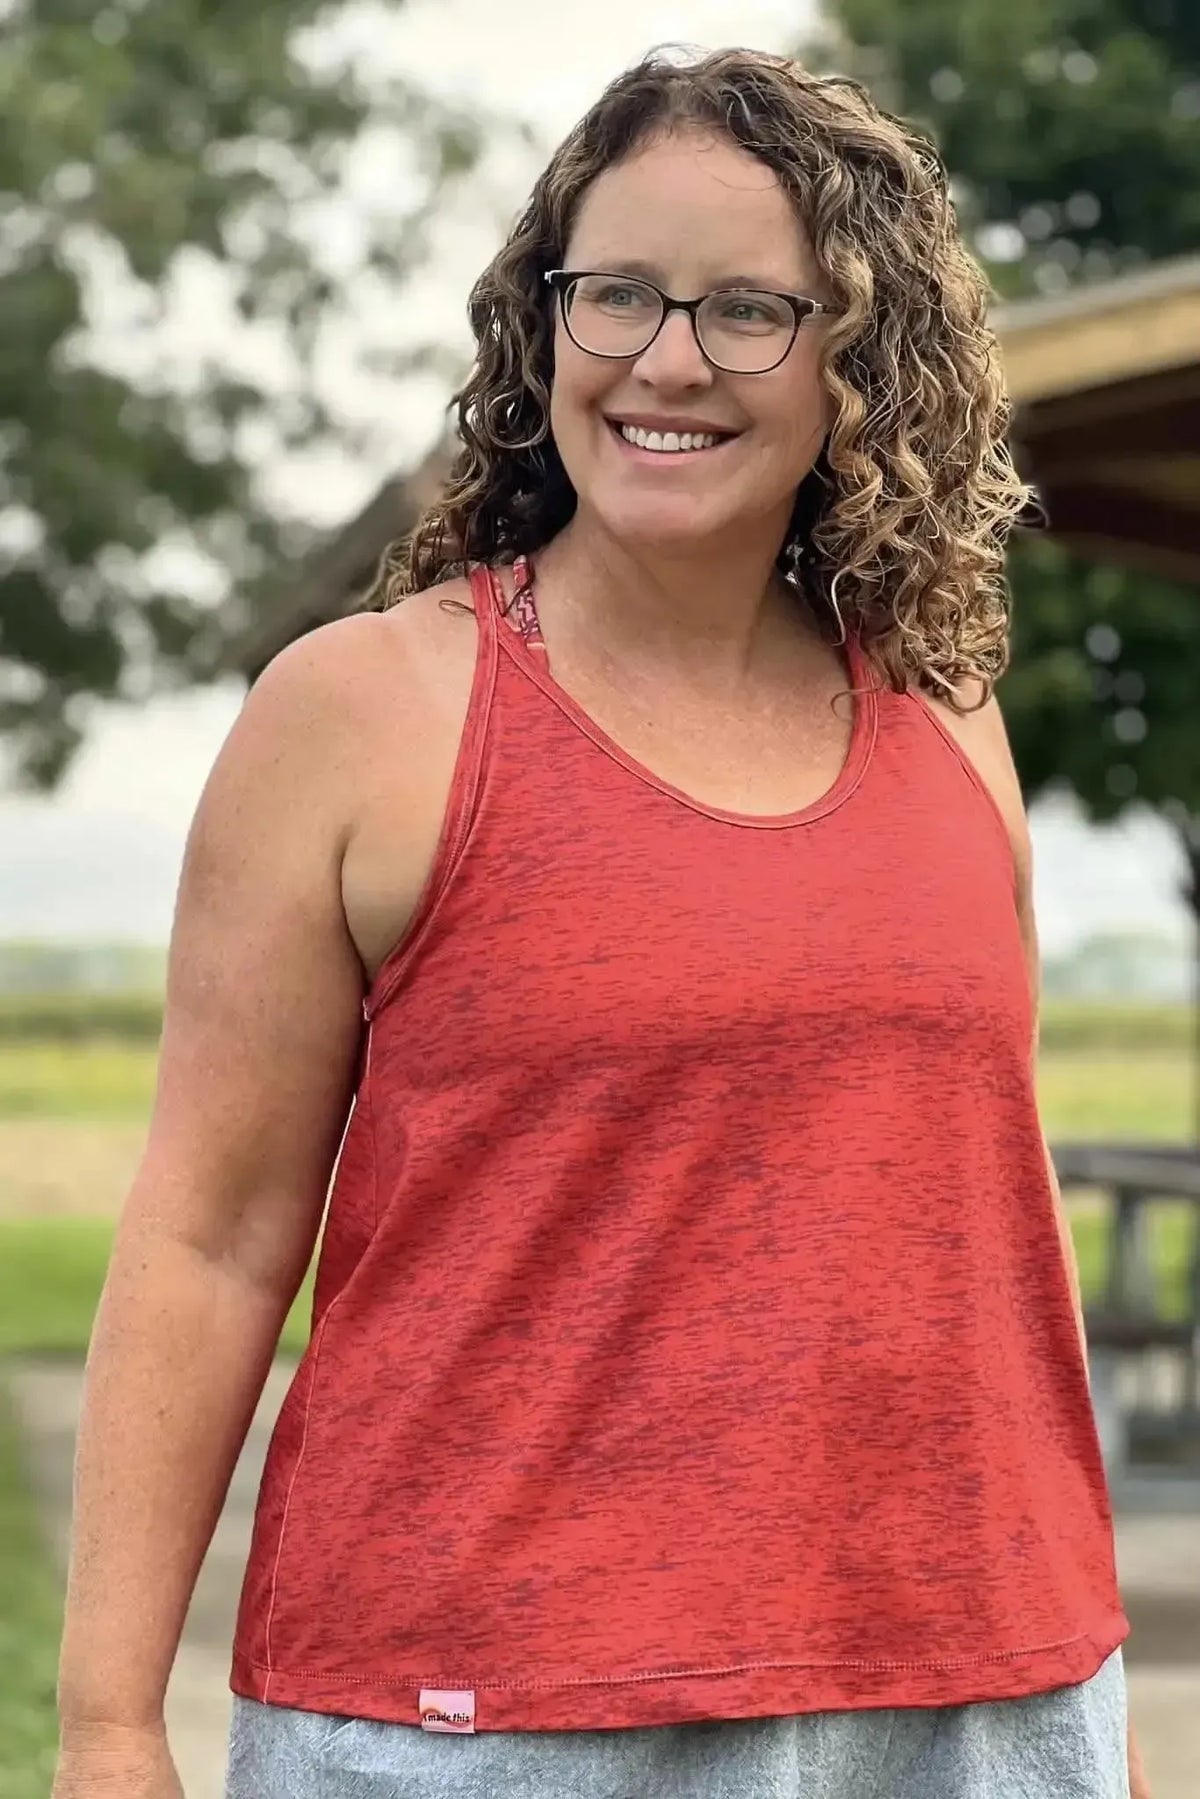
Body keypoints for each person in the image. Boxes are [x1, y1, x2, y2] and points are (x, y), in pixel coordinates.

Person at [51, 44, 1149, 1799]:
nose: (663, 360)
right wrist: (110, 1728)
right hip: (477, 1716)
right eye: (615, 294)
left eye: (745, 311)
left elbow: (973, 1245)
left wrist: (1070, 1675)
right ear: (540, 326)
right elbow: (207, 1235)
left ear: (858, 364)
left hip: (971, 1706)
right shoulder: (363, 714)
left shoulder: (950, 713)